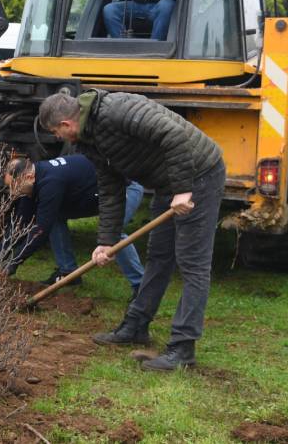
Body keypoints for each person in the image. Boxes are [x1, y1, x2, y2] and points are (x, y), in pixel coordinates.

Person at [38, 90, 225, 371]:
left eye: (56, 132)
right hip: (168, 182)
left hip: (199, 173)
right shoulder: (89, 140)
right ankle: (136, 326)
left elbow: (173, 136)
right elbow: (111, 188)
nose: (59, 138)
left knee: (192, 263)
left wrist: (184, 189)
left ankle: (182, 348)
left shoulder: (117, 110)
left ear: (66, 124)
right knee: (159, 255)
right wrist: (106, 241)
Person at [0, 156, 144, 298]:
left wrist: (14, 262)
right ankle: (68, 272)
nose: (13, 192)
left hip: (123, 189)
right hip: (93, 194)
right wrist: (0, 254)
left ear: (28, 177)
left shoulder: (50, 182)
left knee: (113, 234)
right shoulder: (34, 178)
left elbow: (41, 230)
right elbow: (21, 220)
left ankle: (140, 286)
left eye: (14, 186)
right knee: (55, 218)